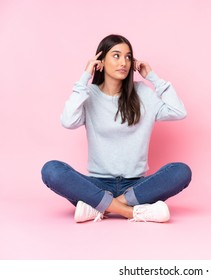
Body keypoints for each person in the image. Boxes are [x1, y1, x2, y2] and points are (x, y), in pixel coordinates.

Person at [41, 34, 191, 223]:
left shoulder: (142, 93)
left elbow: (178, 111)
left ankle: (101, 207)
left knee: (181, 171)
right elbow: (68, 121)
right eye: (116, 55)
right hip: (96, 184)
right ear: (100, 61)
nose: (124, 62)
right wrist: (85, 76)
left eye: (128, 57)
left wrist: (152, 77)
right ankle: (132, 212)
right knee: (51, 170)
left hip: (136, 187)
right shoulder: (88, 95)